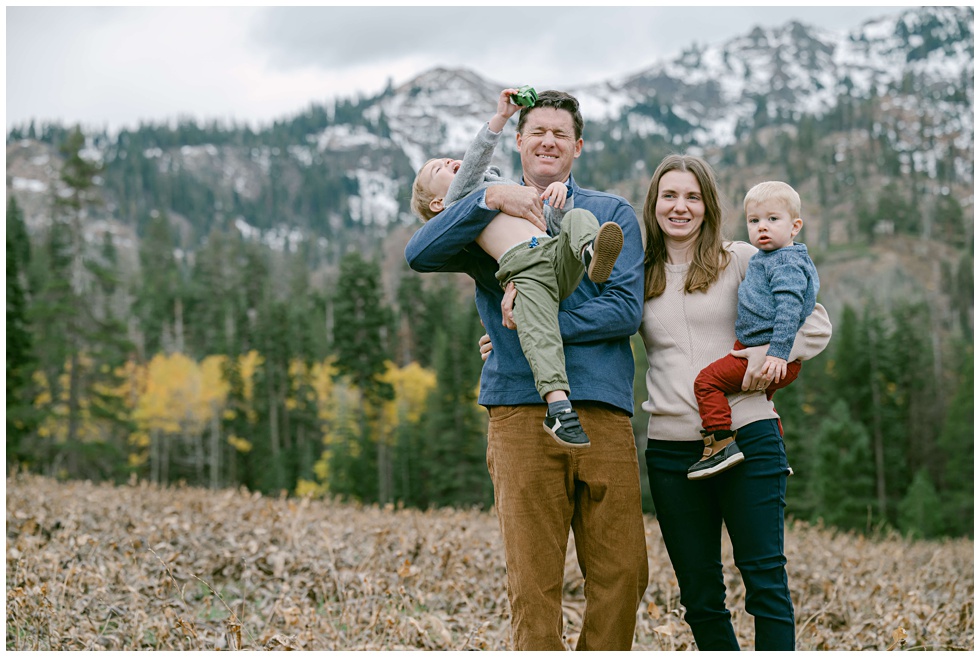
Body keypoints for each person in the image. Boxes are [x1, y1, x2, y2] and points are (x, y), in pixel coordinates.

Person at [405, 90, 648, 650]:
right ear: (518, 141)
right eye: (537, 131)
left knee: (624, 571)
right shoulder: (477, 218)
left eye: (561, 134)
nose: (548, 141)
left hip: (603, 408)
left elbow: (625, 311)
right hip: (518, 409)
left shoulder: (612, 212)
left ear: (577, 146)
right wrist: (490, 195)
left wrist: (539, 321)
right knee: (533, 582)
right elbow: (419, 254)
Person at [639, 154, 832, 650]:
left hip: (748, 436)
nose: (680, 208)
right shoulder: (636, 275)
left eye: (692, 197)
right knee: (701, 596)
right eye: (670, 196)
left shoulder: (743, 258)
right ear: (654, 203)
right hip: (671, 451)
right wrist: (503, 336)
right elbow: (590, 329)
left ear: (708, 206)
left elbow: (816, 323)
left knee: (765, 584)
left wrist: (760, 361)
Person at [409, 88, 625, 448]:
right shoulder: (461, 200)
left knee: (579, 218)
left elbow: (549, 228)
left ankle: (590, 252)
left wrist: (555, 204)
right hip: (525, 270)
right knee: (538, 329)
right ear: (437, 202)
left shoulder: (507, 189)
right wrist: (500, 118)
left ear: (578, 145)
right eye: (438, 168)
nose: (449, 162)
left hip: (553, 253)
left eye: (447, 159)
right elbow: (475, 162)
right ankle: (559, 409)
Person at [689, 180, 820, 480]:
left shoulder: (785, 263)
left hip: (768, 354)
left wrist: (776, 354)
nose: (762, 227)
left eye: (773, 219)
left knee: (707, 383)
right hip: (769, 353)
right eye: (754, 220)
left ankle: (721, 443)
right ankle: (777, 456)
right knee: (765, 405)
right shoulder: (770, 258)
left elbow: (789, 309)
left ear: (795, 226)